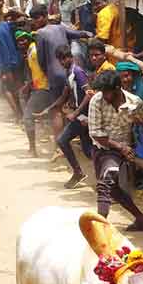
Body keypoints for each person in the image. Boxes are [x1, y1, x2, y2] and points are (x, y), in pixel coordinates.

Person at [88, 69, 143, 231]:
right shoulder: (96, 101)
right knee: (112, 189)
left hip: (118, 150)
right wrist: (122, 147)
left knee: (105, 183)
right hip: (102, 147)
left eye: (108, 92)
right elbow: (96, 134)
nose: (105, 95)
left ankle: (100, 228)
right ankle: (141, 219)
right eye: (103, 91)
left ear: (117, 88)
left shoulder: (134, 102)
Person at [30, 3, 92, 139]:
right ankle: (77, 138)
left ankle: (60, 145)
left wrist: (47, 74)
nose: (34, 22)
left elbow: (41, 59)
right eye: (33, 19)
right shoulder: (60, 28)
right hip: (69, 72)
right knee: (73, 106)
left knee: (56, 110)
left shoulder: (40, 34)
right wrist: (89, 34)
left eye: (36, 18)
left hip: (54, 74)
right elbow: (77, 34)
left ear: (44, 17)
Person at [53, 44, 92, 188]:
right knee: (88, 151)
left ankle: (78, 172)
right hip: (80, 115)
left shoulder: (78, 72)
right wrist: (51, 108)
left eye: (65, 58)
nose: (63, 62)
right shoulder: (69, 72)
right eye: (60, 60)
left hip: (82, 116)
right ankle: (107, 175)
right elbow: (68, 92)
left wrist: (76, 112)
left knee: (62, 140)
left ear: (71, 57)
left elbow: (89, 93)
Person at [17, 29, 51, 157]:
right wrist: (29, 84)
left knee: (27, 117)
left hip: (43, 88)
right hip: (38, 87)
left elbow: (44, 68)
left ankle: (33, 150)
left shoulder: (34, 51)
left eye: (23, 40)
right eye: (19, 41)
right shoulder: (30, 51)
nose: (21, 43)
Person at [0, 7, 23, 122]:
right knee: (19, 88)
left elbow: (3, 51)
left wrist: (6, 70)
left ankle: (19, 114)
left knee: (8, 89)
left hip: (8, 65)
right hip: (18, 62)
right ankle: (23, 113)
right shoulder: (13, 26)